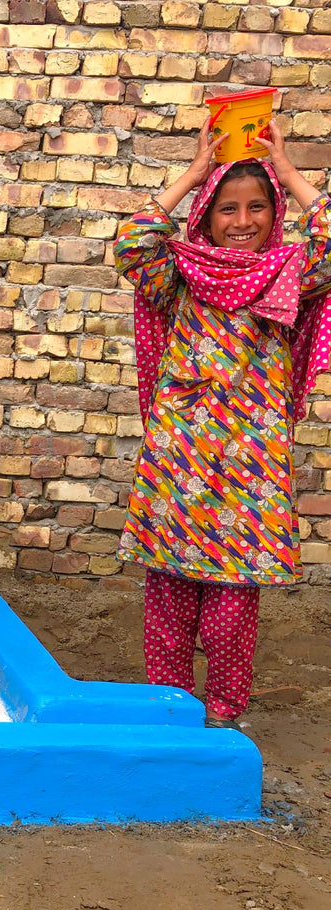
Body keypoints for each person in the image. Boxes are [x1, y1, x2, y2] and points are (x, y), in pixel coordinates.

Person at [114, 117, 331, 730]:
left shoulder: (291, 274)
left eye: (258, 206)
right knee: (169, 601)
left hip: (250, 469)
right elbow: (132, 243)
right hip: (178, 463)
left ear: (275, 212)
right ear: (205, 217)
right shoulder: (180, 276)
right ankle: (169, 710)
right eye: (227, 208)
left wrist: (289, 171)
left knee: (233, 607)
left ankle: (224, 711)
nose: (242, 222)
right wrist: (192, 174)